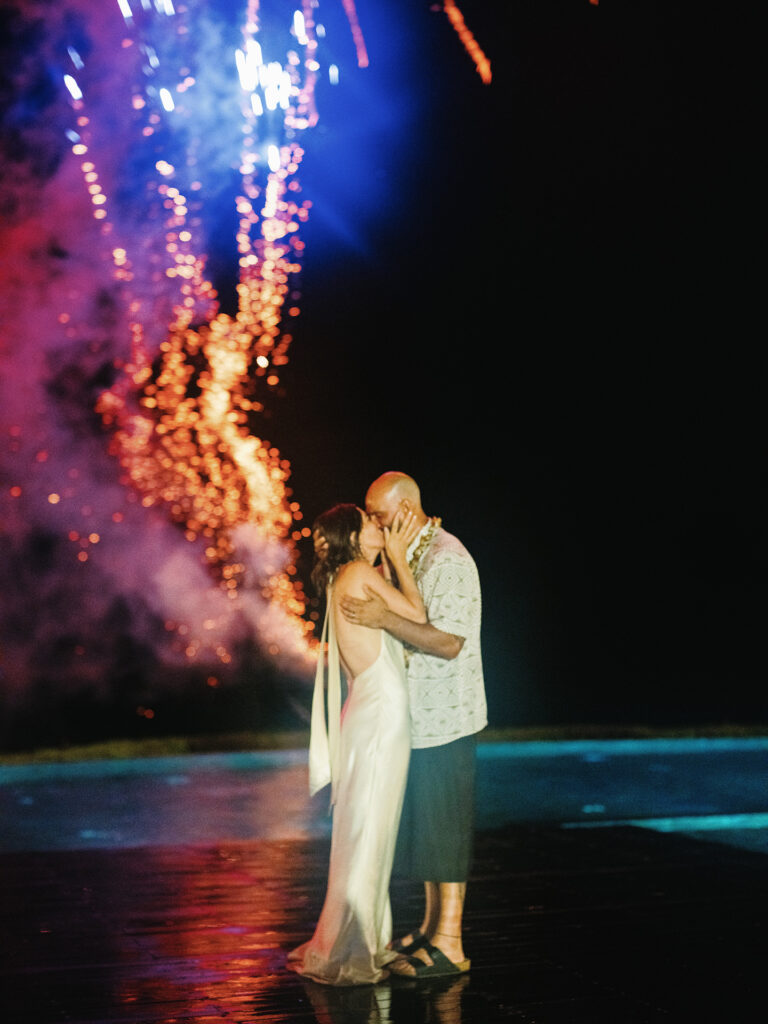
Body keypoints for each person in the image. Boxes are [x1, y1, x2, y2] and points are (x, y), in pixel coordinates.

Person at [339, 472, 487, 979]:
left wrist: (382, 619)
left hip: (447, 716)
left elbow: (448, 642)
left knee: (446, 830)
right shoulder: (407, 554)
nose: (374, 524)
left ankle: (452, 941)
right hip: (417, 717)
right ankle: (430, 930)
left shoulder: (448, 558)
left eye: (379, 514)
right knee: (428, 830)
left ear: (405, 509)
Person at [288, 502, 426, 986]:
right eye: (370, 522)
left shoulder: (346, 577)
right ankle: (354, 946)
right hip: (382, 713)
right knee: (370, 827)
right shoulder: (360, 574)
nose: (379, 525)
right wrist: (402, 558)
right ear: (353, 534)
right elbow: (418, 615)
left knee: (368, 825)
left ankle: (367, 936)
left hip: (367, 710)